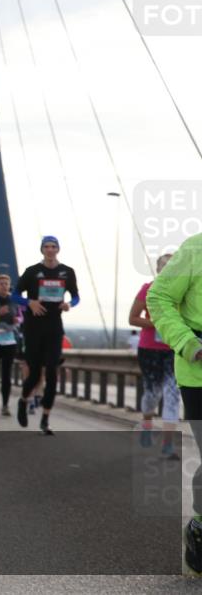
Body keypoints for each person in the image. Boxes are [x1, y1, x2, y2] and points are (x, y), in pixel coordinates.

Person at [147, 234, 202, 572]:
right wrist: (186, 341)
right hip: (198, 370)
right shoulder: (195, 249)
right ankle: (199, 527)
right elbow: (159, 297)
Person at [12, 235, 79, 436]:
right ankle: (23, 400)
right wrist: (29, 303)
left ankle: (45, 418)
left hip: (54, 325)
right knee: (34, 374)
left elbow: (76, 296)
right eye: (46, 246)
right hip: (33, 327)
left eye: (53, 246)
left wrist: (69, 304)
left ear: (58, 249)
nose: (50, 250)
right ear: (42, 250)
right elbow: (14, 295)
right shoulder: (32, 272)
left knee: (51, 372)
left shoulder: (67, 272)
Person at [131, 254, 178, 457]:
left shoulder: (183, 291)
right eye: (164, 265)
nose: (169, 269)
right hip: (149, 349)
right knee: (152, 394)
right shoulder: (147, 289)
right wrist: (157, 324)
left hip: (174, 349)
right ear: (158, 269)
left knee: (172, 395)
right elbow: (132, 318)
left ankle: (168, 445)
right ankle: (147, 424)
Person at [0, 274, 19, 416]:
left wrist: (17, 320)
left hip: (9, 339)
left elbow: (21, 316)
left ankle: (5, 405)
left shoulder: (13, 299)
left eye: (7, 283)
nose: (4, 286)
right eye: (1, 283)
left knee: (7, 374)